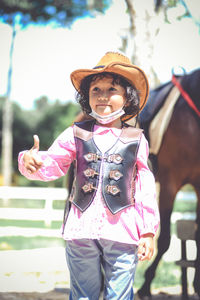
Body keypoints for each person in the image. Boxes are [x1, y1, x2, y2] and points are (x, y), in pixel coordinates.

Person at [18, 52, 160, 300]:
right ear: (87, 97)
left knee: (119, 295)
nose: (103, 96)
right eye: (96, 89)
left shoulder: (137, 139)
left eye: (112, 89)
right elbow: (53, 163)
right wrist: (31, 161)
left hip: (123, 232)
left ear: (128, 98)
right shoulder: (75, 133)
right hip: (80, 230)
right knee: (83, 295)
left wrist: (148, 231)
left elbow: (145, 185)